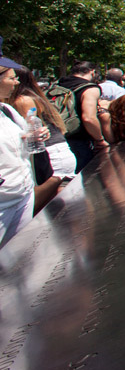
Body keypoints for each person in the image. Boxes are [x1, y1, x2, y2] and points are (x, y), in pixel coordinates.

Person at [0, 47, 64, 246]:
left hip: (23, 196)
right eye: (12, 78)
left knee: (20, 257)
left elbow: (22, 139)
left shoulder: (7, 110)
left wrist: (34, 136)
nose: (16, 82)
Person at [8, 66, 76, 183]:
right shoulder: (34, 96)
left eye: (14, 77)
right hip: (56, 152)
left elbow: (28, 129)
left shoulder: (23, 100)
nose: (15, 81)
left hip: (50, 154)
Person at [54, 60, 106, 169]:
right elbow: (89, 118)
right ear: (92, 72)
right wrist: (100, 140)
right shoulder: (90, 88)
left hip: (58, 139)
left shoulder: (58, 84)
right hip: (79, 142)